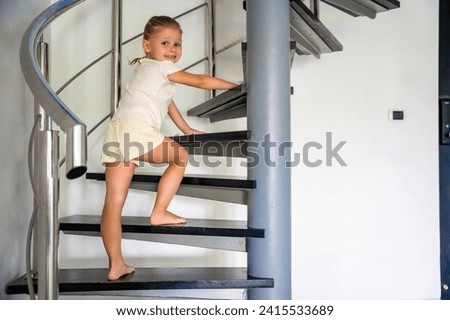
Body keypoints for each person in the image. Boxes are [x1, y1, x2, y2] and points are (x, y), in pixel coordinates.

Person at [100, 15, 237, 280]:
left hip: (117, 130)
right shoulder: (162, 68)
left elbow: (167, 103)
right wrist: (237, 87)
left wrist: (186, 129)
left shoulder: (144, 68)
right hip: (137, 129)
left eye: (177, 44)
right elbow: (200, 81)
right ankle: (159, 211)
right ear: (146, 45)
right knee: (180, 157)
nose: (173, 49)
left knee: (113, 203)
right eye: (165, 43)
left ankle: (116, 264)